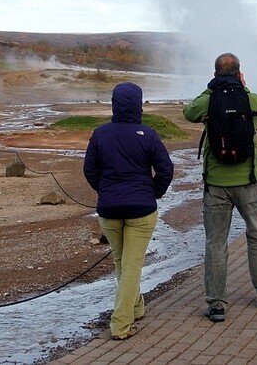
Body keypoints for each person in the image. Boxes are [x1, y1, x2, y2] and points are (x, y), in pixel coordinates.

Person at [183, 52, 257, 323]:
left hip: (216, 184)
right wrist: (243, 87)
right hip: (248, 182)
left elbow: (189, 111)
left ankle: (216, 303)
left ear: (215, 74)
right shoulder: (249, 98)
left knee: (216, 242)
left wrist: (212, 89)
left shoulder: (209, 99)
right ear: (239, 73)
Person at [83, 82, 175, 340]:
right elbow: (166, 169)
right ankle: (121, 324)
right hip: (141, 211)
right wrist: (154, 192)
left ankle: (136, 307)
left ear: (114, 104)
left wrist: (104, 191)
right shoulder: (147, 134)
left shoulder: (100, 134)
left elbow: (89, 170)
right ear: (139, 104)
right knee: (131, 266)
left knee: (123, 263)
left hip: (109, 210)